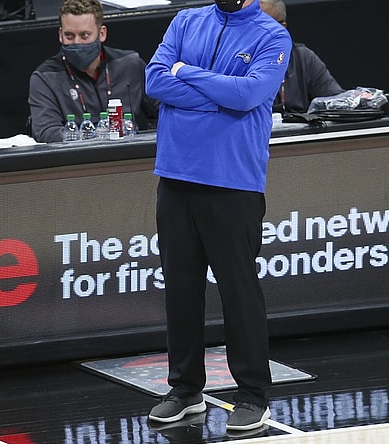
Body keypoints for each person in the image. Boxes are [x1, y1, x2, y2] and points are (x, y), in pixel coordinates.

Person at [145, 0, 291, 433]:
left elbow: (248, 94)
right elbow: (155, 80)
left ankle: (252, 396)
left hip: (233, 182)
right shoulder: (186, 20)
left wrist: (184, 73)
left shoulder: (272, 35)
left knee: (239, 292)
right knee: (181, 290)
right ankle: (185, 390)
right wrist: (219, 92)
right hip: (175, 175)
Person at [27, 0, 158, 143]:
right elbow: (46, 132)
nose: (77, 42)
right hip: (74, 160)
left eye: (84, 35)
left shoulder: (129, 64)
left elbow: (162, 111)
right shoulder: (45, 78)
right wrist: (92, 137)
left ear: (102, 33)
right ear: (60, 34)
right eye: (69, 35)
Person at [259, 0, 343, 114]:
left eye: (262, 25)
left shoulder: (302, 58)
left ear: (281, 28)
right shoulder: (233, 59)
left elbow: (336, 103)